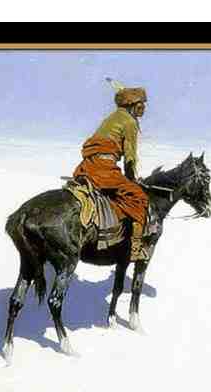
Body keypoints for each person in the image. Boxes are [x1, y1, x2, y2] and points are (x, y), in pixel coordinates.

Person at [73, 86, 149, 261]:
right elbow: (130, 158)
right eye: (140, 105)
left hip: (88, 166)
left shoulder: (112, 117)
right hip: (103, 169)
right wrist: (132, 180)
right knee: (140, 198)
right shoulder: (129, 122)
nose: (143, 109)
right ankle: (135, 249)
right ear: (132, 105)